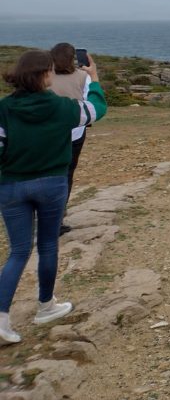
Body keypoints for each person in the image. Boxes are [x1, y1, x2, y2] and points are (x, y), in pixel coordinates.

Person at [0, 49, 106, 344]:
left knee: (18, 252)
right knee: (48, 245)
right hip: (52, 183)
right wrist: (93, 77)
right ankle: (46, 306)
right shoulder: (62, 108)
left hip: (11, 186)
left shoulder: (4, 108)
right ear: (46, 74)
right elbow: (96, 109)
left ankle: (0, 318)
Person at [48, 43, 91, 236]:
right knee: (66, 174)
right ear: (73, 57)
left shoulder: (44, 75)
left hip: (46, 132)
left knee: (46, 172)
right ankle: (57, 219)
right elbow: (89, 102)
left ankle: (41, 216)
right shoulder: (83, 76)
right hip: (74, 131)